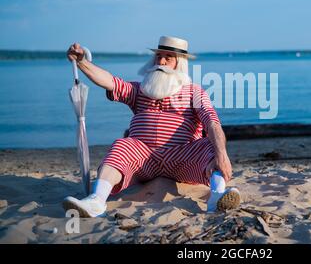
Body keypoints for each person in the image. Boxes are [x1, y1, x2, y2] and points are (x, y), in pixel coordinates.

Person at [63, 36, 240, 217]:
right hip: (143, 159)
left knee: (211, 145)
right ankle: (97, 200)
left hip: (181, 158)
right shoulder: (139, 90)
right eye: (158, 56)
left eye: (168, 58)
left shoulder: (194, 92)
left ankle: (217, 196)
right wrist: (82, 62)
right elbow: (110, 81)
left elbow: (212, 122)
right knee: (122, 145)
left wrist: (222, 154)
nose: (161, 61)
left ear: (179, 63)